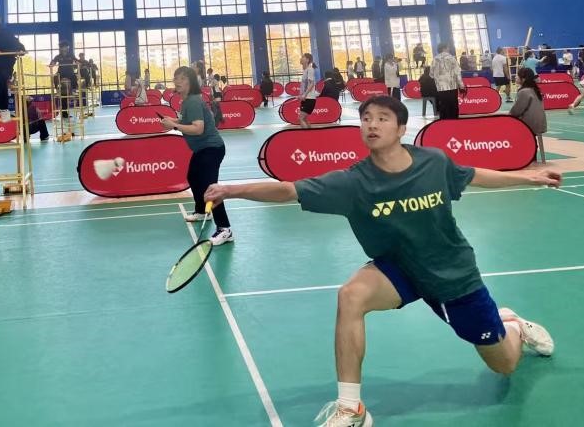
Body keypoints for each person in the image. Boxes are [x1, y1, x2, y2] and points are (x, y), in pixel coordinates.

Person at [204, 96, 558, 427]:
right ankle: (351, 407)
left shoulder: (433, 163)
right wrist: (232, 190)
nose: (372, 125)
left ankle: (513, 324)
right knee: (351, 295)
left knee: (504, 365)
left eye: (383, 119)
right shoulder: (352, 183)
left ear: (401, 128)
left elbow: (473, 175)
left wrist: (527, 176)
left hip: (452, 275)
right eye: (366, 119)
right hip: (400, 268)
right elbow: (288, 190)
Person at [160, 66, 233, 245]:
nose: (178, 81)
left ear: (191, 82)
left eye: (183, 78)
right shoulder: (186, 101)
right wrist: (172, 121)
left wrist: (174, 126)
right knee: (193, 177)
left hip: (211, 148)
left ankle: (225, 229)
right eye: (176, 78)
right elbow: (187, 121)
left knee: (210, 187)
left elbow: (198, 128)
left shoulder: (192, 101)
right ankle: (201, 211)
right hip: (202, 149)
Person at [508, 67, 547, 138]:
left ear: (523, 79)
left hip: (529, 125)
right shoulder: (535, 89)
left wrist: (507, 116)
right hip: (541, 124)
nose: (515, 77)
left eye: (517, 75)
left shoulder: (524, 91)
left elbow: (516, 111)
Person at [431, 43, 465, 120]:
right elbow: (457, 73)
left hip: (440, 87)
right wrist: (461, 85)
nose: (449, 49)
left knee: (443, 104)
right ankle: (454, 121)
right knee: (453, 105)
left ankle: (444, 122)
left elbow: (431, 74)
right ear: (444, 48)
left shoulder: (435, 59)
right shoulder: (452, 58)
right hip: (452, 86)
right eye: (448, 47)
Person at [298, 53, 319, 129]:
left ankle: (306, 134)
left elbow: (312, 84)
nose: (301, 58)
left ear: (307, 60)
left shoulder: (310, 69)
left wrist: (305, 95)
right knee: (304, 119)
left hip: (309, 99)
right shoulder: (305, 70)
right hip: (306, 98)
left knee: (301, 118)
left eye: (303, 57)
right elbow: (304, 85)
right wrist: (301, 95)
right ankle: (311, 134)